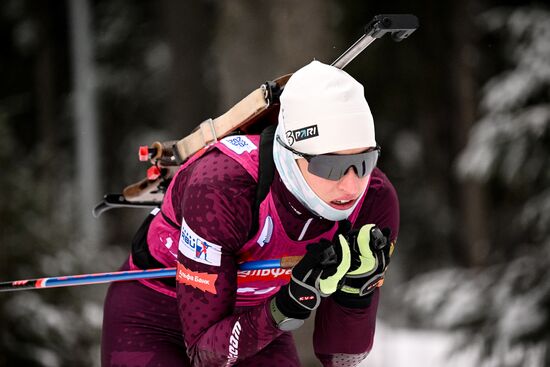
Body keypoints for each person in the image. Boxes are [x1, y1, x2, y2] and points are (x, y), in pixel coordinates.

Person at [101, 60, 399, 366]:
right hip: (154, 314)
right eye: (330, 166)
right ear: (291, 152)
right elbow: (205, 353)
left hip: (255, 320)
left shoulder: (374, 197)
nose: (351, 186)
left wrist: (356, 294)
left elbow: (340, 359)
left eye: (364, 161)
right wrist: (282, 308)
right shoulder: (222, 187)